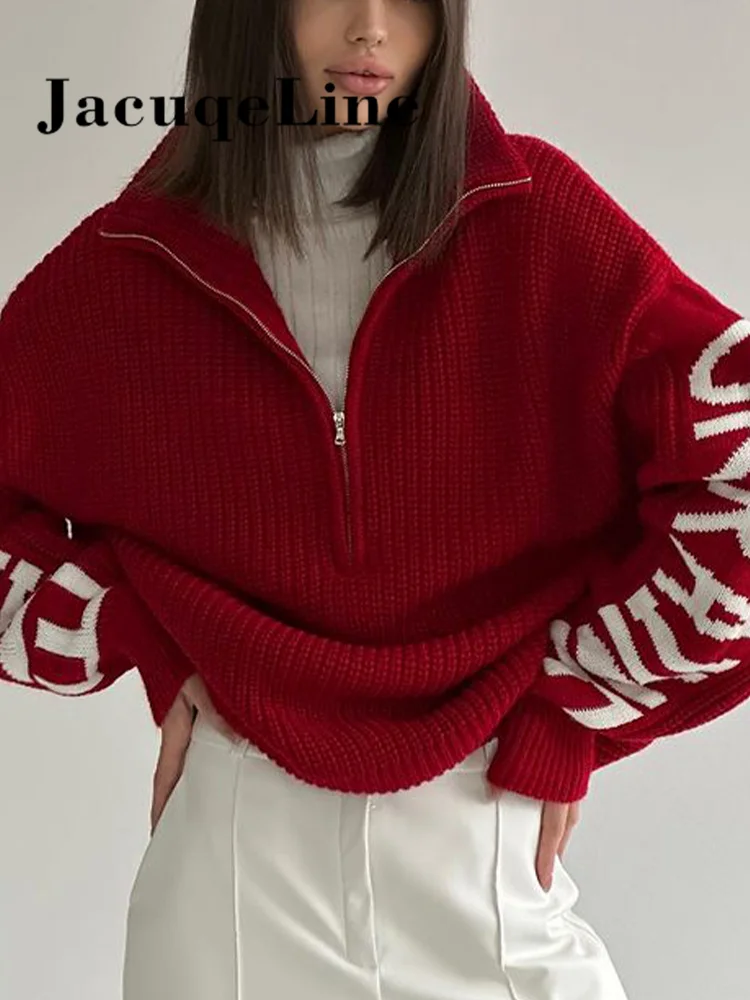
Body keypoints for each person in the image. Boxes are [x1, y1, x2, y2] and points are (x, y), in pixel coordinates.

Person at [2, 1, 749, 998]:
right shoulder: (126, 266)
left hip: (485, 845)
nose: (371, 27)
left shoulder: (540, 220)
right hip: (236, 862)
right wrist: (131, 627)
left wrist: (577, 708)